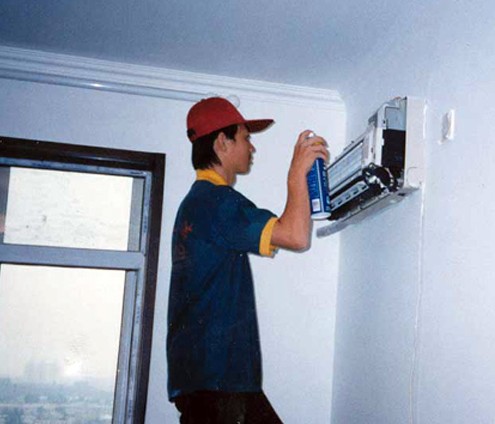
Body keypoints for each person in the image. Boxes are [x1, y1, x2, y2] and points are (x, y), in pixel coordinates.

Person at [167, 97, 329, 423]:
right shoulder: (217, 203)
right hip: (221, 383)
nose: (252, 147)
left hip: (206, 381)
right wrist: (296, 172)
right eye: (245, 137)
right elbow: (296, 236)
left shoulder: (195, 204)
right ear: (222, 142)